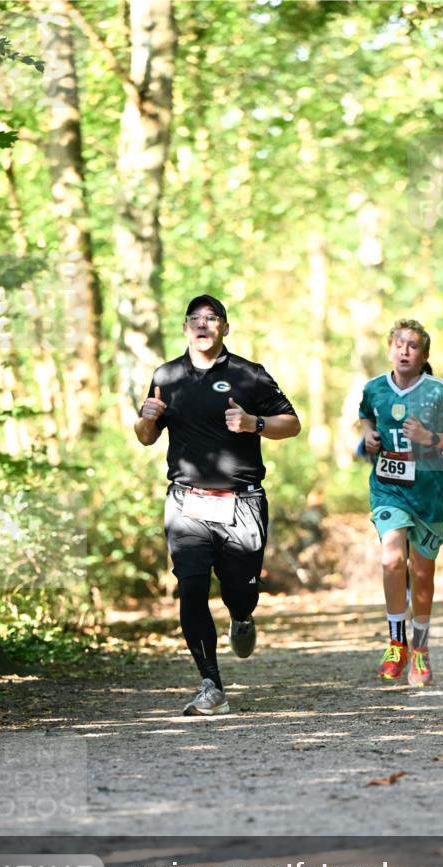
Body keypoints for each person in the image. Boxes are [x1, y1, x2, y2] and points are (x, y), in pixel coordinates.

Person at [134, 294, 301, 715]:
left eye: (212, 319)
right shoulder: (167, 375)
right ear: (185, 328)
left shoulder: (249, 375)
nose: (203, 325)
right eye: (195, 319)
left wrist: (253, 423)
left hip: (241, 503)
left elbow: (292, 423)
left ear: (225, 327)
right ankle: (211, 684)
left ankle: (242, 617)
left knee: (238, 592)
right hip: (187, 501)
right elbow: (145, 436)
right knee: (190, 586)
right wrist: (147, 416)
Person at [359, 318, 443, 687]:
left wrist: (430, 436)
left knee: (422, 572)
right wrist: (369, 438)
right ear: (390, 350)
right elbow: (364, 418)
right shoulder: (375, 388)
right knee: (392, 557)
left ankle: (420, 648)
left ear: (424, 356)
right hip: (388, 488)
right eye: (399, 344)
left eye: (413, 346)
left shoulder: (440, 392)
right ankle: (396, 643)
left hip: (429, 492)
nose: (404, 350)